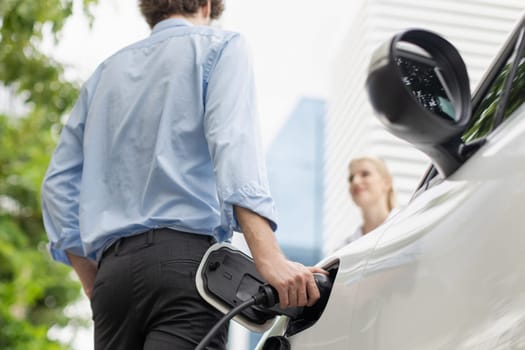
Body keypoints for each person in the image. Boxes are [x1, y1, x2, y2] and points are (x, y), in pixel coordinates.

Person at [41, 1, 325, 349]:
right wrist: (268, 257)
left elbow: (56, 187)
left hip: (111, 282)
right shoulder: (220, 46)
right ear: (207, 5)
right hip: (187, 272)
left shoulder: (104, 75)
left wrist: (93, 281)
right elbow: (233, 145)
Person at [342, 156, 396, 245]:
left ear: (387, 182)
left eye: (365, 174)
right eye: (351, 178)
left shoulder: (407, 226)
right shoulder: (343, 248)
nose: (355, 181)